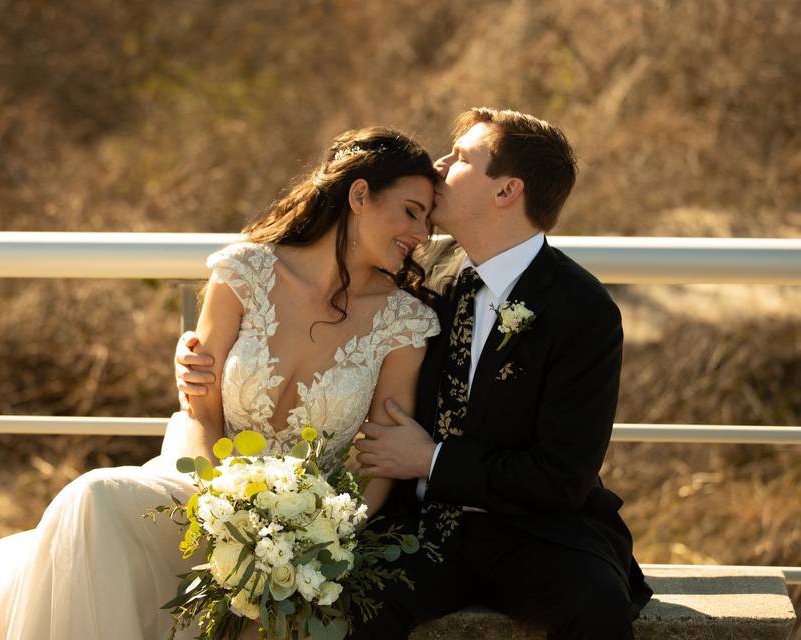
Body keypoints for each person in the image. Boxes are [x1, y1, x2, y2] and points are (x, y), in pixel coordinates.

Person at [0, 127, 441, 640]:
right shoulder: (245, 270)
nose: (420, 235)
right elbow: (200, 411)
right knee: (93, 498)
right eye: (411, 213)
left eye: (429, 222)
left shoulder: (403, 322)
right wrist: (223, 509)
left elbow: (379, 458)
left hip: (308, 541)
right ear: (360, 195)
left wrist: (326, 544)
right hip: (201, 490)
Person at [176, 108, 654, 640]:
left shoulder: (580, 308)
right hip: (419, 532)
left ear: (506, 191)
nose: (442, 163)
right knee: (344, 608)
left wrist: (431, 459)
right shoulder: (420, 277)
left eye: (463, 157)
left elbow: (562, 478)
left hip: (539, 533)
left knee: (596, 608)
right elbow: (327, 313)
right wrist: (203, 358)